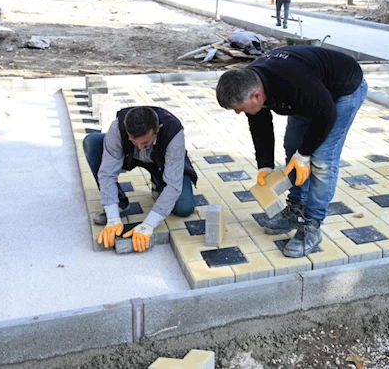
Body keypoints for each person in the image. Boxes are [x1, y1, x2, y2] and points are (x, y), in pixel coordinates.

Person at [215, 46, 367, 258]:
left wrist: (305, 154)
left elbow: (326, 114)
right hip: (312, 93)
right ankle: (296, 207)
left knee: (322, 159)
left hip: (343, 90)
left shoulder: (294, 82)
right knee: (292, 148)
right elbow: (260, 127)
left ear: (257, 95)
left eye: (239, 108)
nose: (239, 112)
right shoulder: (251, 81)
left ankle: (311, 224)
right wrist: (265, 166)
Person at [83, 106, 197, 252]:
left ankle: (158, 185)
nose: (140, 147)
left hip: (162, 164)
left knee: (184, 207)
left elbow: (173, 186)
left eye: (145, 143)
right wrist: (112, 217)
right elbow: (107, 174)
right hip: (129, 157)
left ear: (158, 129)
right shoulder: (118, 128)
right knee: (92, 142)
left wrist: (148, 225)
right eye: (134, 141)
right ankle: (119, 202)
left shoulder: (173, 133)